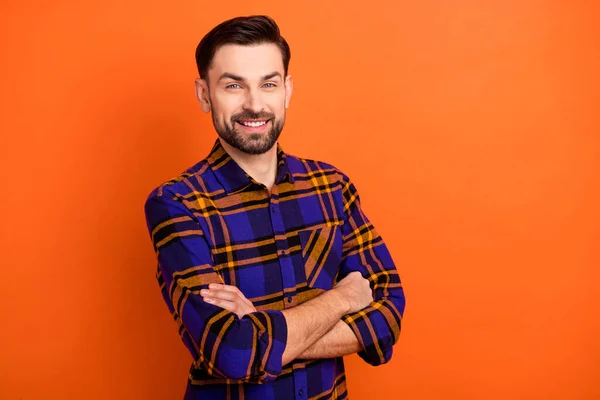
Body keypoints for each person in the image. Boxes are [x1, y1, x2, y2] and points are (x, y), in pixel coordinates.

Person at [143, 15, 406, 400]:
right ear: (204, 94)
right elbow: (233, 352)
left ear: (287, 90)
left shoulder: (332, 186)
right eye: (233, 85)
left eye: (268, 83)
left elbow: (389, 313)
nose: (254, 104)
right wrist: (344, 299)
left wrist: (263, 333)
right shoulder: (177, 203)